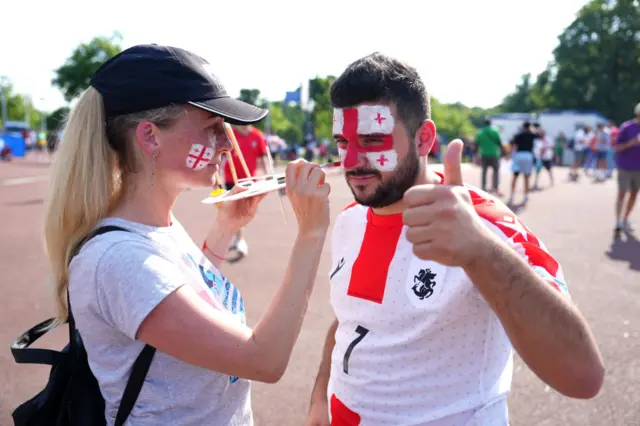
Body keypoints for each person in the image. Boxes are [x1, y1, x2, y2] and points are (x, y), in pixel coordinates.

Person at [305, 53, 604, 426]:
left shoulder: (484, 224)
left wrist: (481, 253)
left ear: (424, 138)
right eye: (343, 141)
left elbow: (583, 375)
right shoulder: (351, 220)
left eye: (372, 139)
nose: (353, 159)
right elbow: (352, 320)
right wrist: (321, 395)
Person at [43, 44, 331, 426]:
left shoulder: (154, 227)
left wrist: (226, 227)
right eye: (212, 128)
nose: (228, 144)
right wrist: (311, 234)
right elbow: (263, 360)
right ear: (150, 137)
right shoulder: (119, 259)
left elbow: (185, 297)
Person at [222, 124, 271, 261]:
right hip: (231, 179)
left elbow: (262, 158)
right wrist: (217, 176)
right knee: (236, 209)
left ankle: (237, 235)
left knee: (244, 210)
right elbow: (222, 156)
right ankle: (240, 239)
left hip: (249, 179)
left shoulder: (257, 135)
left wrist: (268, 174)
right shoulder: (231, 135)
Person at [614, 102, 640, 232]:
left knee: (634, 194)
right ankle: (618, 221)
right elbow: (617, 147)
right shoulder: (627, 127)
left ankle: (625, 218)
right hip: (625, 166)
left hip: (638, 168)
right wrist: (632, 143)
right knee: (622, 193)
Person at [508, 121, 537, 204]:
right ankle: (526, 195)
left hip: (519, 155)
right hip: (528, 155)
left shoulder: (518, 135)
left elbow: (513, 145)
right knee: (526, 177)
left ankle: (512, 194)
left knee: (515, 176)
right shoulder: (532, 135)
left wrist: (510, 155)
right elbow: (540, 135)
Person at [474, 118, 503, 195]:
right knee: (496, 171)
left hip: (484, 154)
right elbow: (499, 142)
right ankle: (495, 187)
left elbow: (477, 144)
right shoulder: (495, 130)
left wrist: (476, 154)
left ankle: (483, 187)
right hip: (494, 154)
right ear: (491, 123)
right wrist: (503, 152)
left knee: (484, 171)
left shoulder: (480, 132)